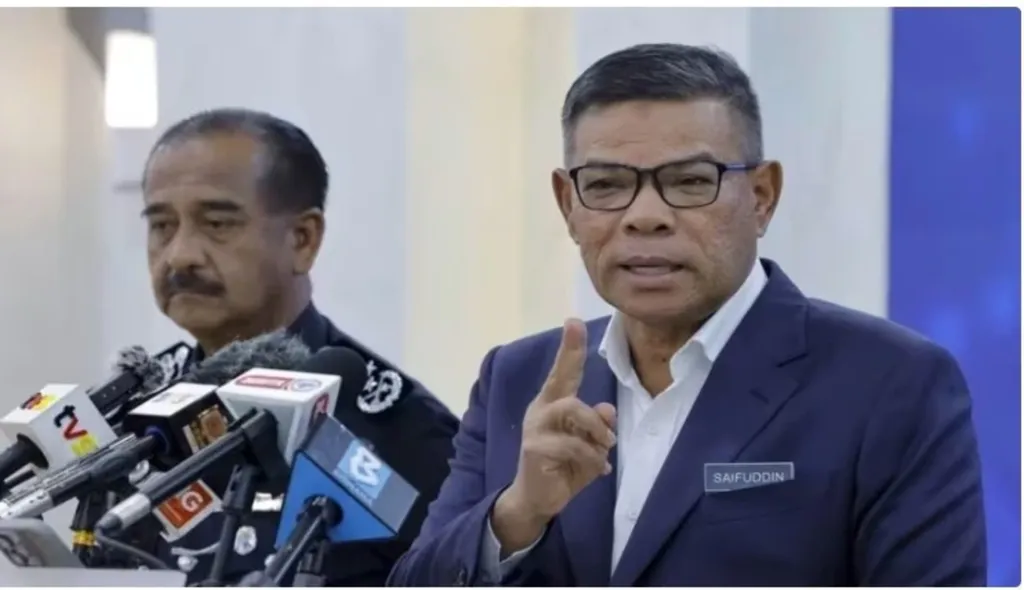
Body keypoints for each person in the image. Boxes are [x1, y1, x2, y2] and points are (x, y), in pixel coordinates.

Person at [387, 44, 987, 586]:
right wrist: (518, 514)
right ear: (568, 205)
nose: (646, 216)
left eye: (690, 181)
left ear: (762, 196)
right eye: (606, 185)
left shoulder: (892, 384)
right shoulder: (518, 378)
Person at [132, 108, 459, 585]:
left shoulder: (398, 431)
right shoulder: (137, 415)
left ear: (303, 239)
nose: (180, 255)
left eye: (217, 224)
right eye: (162, 226)